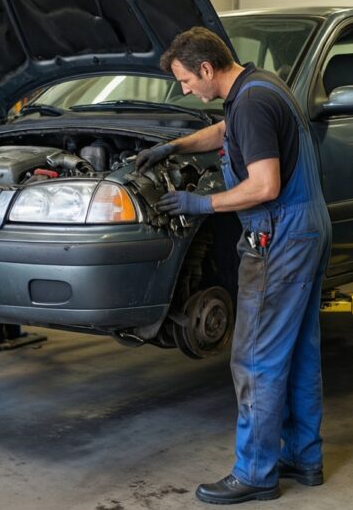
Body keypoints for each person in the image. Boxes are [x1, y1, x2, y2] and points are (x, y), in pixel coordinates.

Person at [135, 26, 332, 504]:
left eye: (185, 81)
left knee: (255, 358)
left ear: (207, 69)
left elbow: (264, 185)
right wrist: (175, 147)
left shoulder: (251, 102)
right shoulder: (258, 85)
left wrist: (198, 203)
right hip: (307, 227)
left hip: (280, 234)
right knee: (298, 350)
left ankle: (256, 473)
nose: (185, 90)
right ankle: (304, 458)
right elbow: (227, 132)